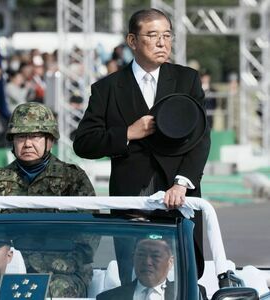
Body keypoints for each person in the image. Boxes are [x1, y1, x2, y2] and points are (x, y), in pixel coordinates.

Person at [72, 8, 210, 280]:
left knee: (184, 274)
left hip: (178, 196)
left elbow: (201, 137)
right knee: (133, 276)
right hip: (130, 200)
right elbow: (84, 143)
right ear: (132, 41)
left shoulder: (187, 79)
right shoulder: (107, 88)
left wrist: (182, 183)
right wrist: (128, 133)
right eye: (153, 35)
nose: (162, 43)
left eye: (167, 35)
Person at [0, 102, 97, 298]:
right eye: (21, 137)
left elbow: (88, 234)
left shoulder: (72, 179)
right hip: (7, 270)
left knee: (54, 292)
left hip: (61, 273)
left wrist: (67, 262)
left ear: (49, 141)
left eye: (35, 136)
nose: (27, 144)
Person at [97, 236, 175, 300]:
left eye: (155, 256)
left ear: (170, 262)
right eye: (141, 255)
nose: (147, 262)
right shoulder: (106, 298)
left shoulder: (184, 293)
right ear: (133, 258)